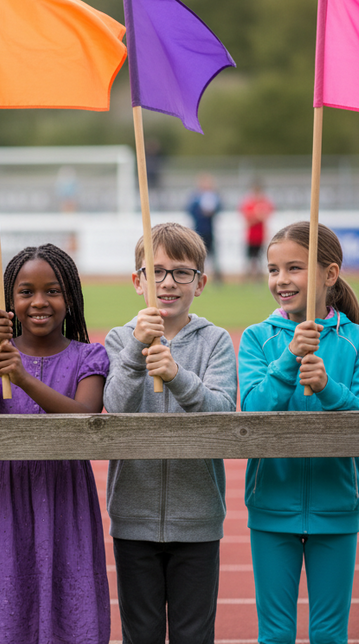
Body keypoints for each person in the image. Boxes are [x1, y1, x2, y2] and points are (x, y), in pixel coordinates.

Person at [0, 244, 112, 644]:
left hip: (64, 495)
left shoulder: (89, 356)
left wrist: (24, 380)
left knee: (68, 601)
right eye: (26, 292)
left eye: (52, 291)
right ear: (10, 303)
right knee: (5, 598)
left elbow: (84, 419)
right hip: (3, 493)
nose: (39, 302)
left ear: (70, 299)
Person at [240, 221, 359, 644]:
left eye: (294, 268)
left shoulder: (357, 341)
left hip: (337, 507)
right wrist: (289, 360)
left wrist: (329, 389)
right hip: (271, 506)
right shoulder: (257, 339)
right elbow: (252, 411)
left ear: (329, 273)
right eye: (273, 269)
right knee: (276, 635)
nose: (281, 280)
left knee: (328, 635)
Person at [103, 222, 238, 643]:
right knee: (139, 634)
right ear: (137, 280)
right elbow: (116, 407)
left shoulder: (215, 341)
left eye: (181, 272)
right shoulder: (119, 339)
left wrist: (178, 376)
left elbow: (220, 411)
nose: (167, 282)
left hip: (197, 517)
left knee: (193, 635)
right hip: (133, 517)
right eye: (156, 271)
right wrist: (135, 354)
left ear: (200, 282)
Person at [187, 173, 222, 282]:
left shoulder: (214, 197)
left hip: (209, 231)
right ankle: (195, 277)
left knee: (213, 256)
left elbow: (219, 208)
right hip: (198, 231)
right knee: (196, 256)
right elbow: (190, 211)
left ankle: (217, 279)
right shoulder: (195, 198)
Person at [239, 179, 274, 283]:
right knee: (249, 258)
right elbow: (247, 218)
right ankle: (246, 278)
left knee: (259, 259)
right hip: (250, 236)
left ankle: (258, 279)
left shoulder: (265, 202)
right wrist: (257, 216)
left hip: (261, 235)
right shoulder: (249, 202)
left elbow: (267, 215)